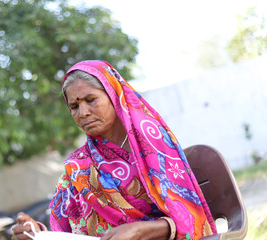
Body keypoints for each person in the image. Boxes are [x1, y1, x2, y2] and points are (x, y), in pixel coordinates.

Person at [11, 60, 216, 240]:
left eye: (91, 100)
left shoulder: (153, 143)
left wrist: (141, 231)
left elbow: (189, 216)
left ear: (114, 95)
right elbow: (62, 231)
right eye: (74, 106)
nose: (83, 113)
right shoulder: (79, 166)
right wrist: (37, 233)